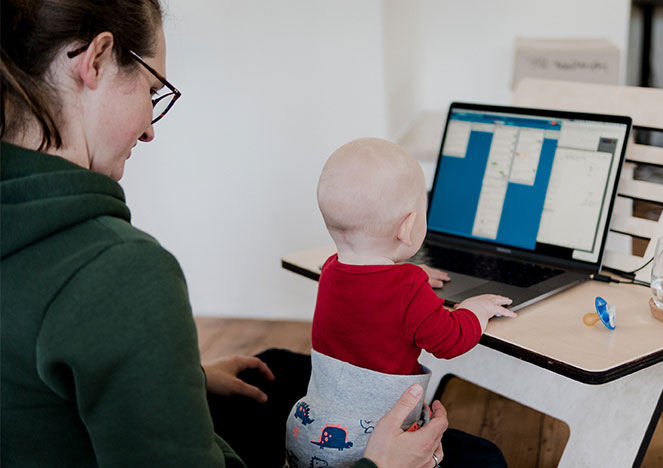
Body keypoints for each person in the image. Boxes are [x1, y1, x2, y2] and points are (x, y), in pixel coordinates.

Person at [0, 2, 508, 468]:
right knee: (480, 458)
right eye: (153, 90)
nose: (151, 127)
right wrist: (378, 465)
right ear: (96, 60)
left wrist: (184, 384)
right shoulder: (119, 269)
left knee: (275, 368)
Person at [285, 138, 515, 468]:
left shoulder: (332, 270)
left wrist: (411, 272)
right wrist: (475, 309)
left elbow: (368, 291)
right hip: (374, 444)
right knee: (486, 458)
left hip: (307, 434)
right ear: (409, 227)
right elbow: (449, 340)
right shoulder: (408, 286)